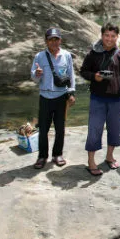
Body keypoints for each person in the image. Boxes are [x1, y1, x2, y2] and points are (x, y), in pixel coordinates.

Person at [79, 23, 120, 176]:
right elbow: (83, 71)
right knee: (94, 129)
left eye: (113, 36)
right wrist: (94, 77)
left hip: (116, 99)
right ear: (101, 36)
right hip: (98, 98)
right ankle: (91, 162)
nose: (109, 39)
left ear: (117, 37)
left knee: (115, 129)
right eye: (106, 35)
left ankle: (109, 156)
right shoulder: (93, 53)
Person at [30, 28, 76, 169]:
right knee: (43, 129)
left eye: (56, 39)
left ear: (60, 40)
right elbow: (34, 78)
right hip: (45, 96)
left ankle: (57, 154)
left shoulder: (66, 55)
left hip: (61, 96)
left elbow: (71, 75)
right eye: (51, 39)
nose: (54, 42)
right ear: (46, 41)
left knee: (60, 128)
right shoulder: (39, 56)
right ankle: (42, 157)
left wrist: (71, 93)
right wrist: (37, 74)